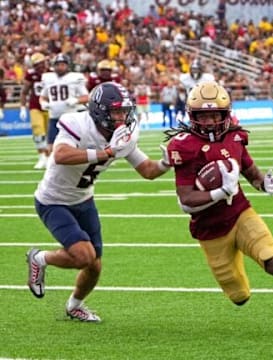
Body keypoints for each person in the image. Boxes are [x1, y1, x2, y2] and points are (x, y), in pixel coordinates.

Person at [164, 81, 273, 337]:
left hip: (241, 213)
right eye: (203, 115)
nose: (210, 121)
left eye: (215, 115)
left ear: (225, 114)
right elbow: (186, 199)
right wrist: (221, 192)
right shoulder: (183, 146)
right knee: (239, 295)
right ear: (192, 116)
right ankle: (237, 265)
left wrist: (264, 183)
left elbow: (251, 172)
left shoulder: (235, 136)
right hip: (210, 230)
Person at [26, 82, 170, 322]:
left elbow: (147, 170)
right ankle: (39, 258)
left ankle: (74, 306)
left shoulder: (124, 134)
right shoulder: (77, 124)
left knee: (95, 265)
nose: (122, 117)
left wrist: (166, 163)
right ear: (99, 111)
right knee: (83, 255)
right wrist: (106, 153)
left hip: (84, 199)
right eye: (116, 111)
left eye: (125, 111)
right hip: (53, 201)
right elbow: (60, 155)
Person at [39, 53, 89, 154]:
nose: (60, 67)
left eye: (62, 64)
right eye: (57, 64)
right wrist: (43, 103)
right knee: (50, 147)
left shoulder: (75, 78)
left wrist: (76, 100)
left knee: (75, 145)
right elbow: (42, 97)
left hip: (71, 118)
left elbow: (87, 97)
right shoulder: (48, 78)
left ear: (67, 65)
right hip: (54, 118)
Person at [20, 52, 49, 169]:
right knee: (38, 131)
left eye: (41, 63)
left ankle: (49, 156)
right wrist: (22, 107)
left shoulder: (51, 72)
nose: (39, 66)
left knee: (50, 134)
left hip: (49, 106)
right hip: (35, 106)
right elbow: (24, 91)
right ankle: (42, 156)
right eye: (36, 64)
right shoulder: (31, 74)